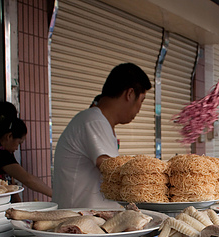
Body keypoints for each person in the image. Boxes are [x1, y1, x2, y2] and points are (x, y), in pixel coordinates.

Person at [53, 63, 151, 208]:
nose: (139, 109)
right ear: (129, 94)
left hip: (91, 221)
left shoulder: (99, 122)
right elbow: (113, 170)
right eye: (141, 101)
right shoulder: (93, 121)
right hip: (81, 223)